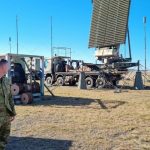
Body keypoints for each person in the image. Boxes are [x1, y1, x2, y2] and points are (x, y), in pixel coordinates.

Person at [0, 59, 16, 150]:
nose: (10, 67)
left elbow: (10, 97)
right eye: (8, 66)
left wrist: (13, 112)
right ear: (3, 66)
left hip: (6, 116)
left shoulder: (6, 80)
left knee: (3, 139)